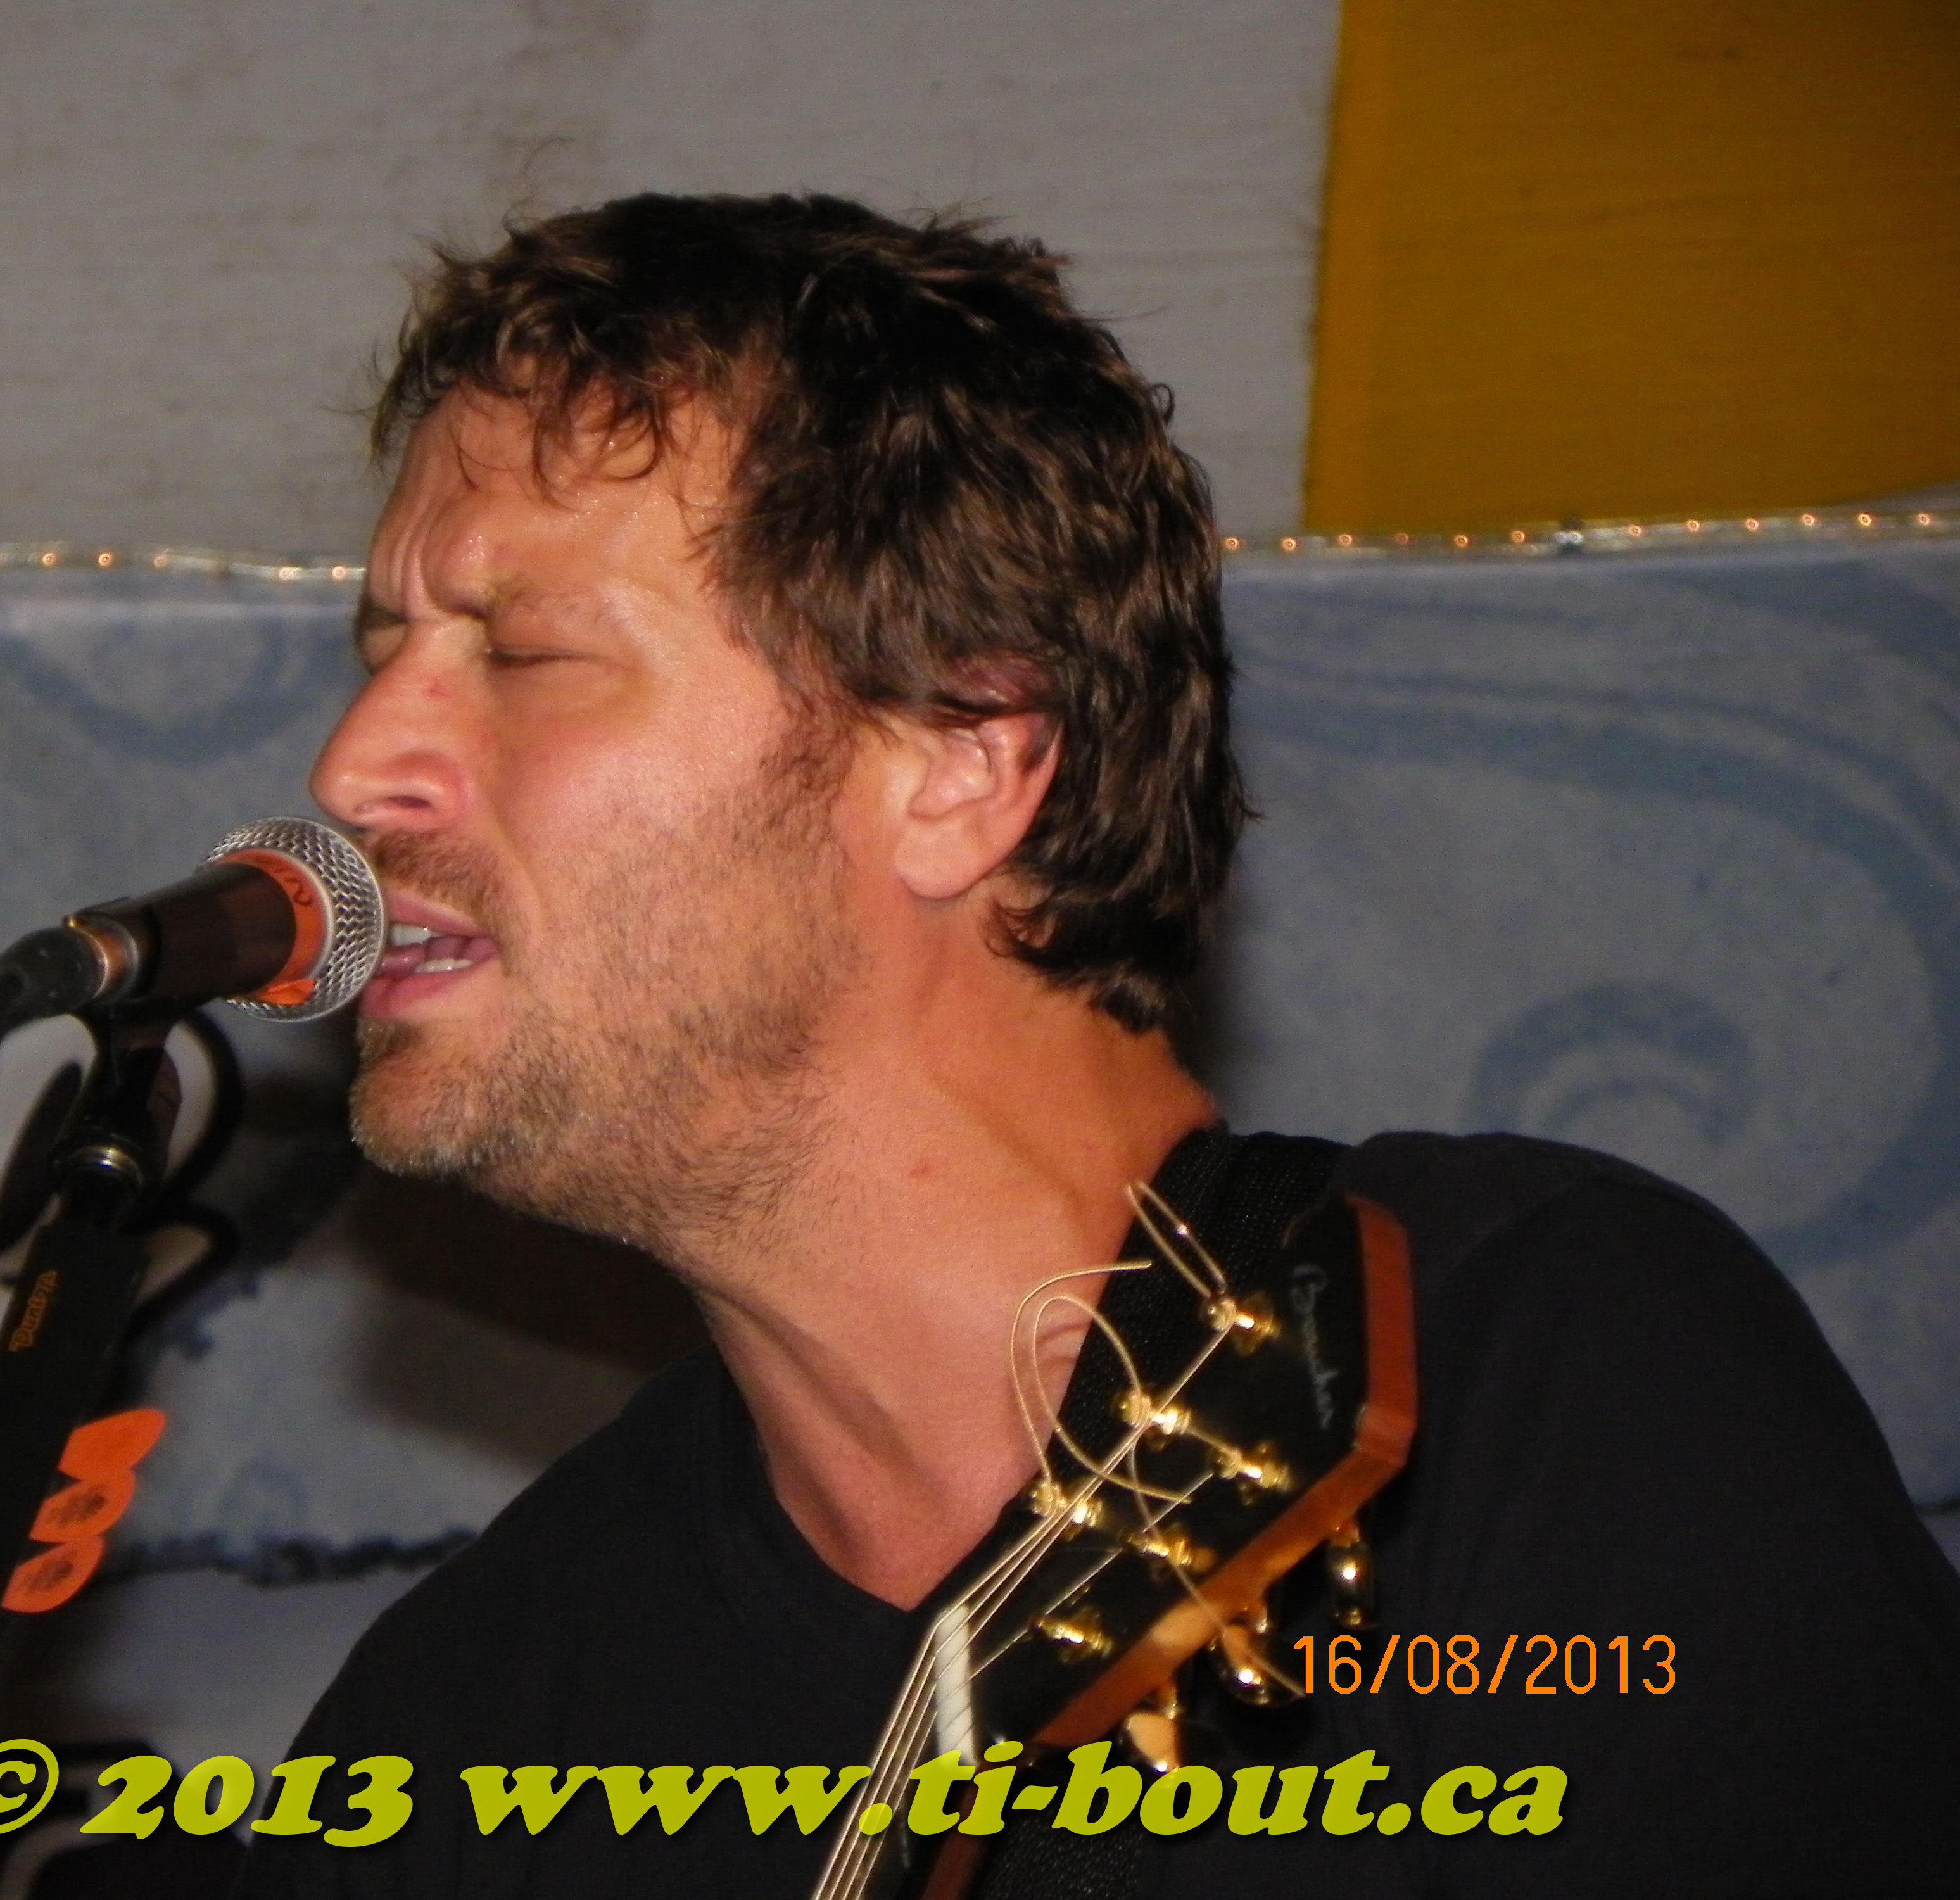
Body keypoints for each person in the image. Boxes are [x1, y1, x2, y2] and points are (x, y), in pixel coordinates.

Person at [237, 193, 1960, 1898]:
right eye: (382, 649)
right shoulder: (472, 1725)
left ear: (962, 766)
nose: (355, 762)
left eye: (522, 650)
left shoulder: (1528, 1373)